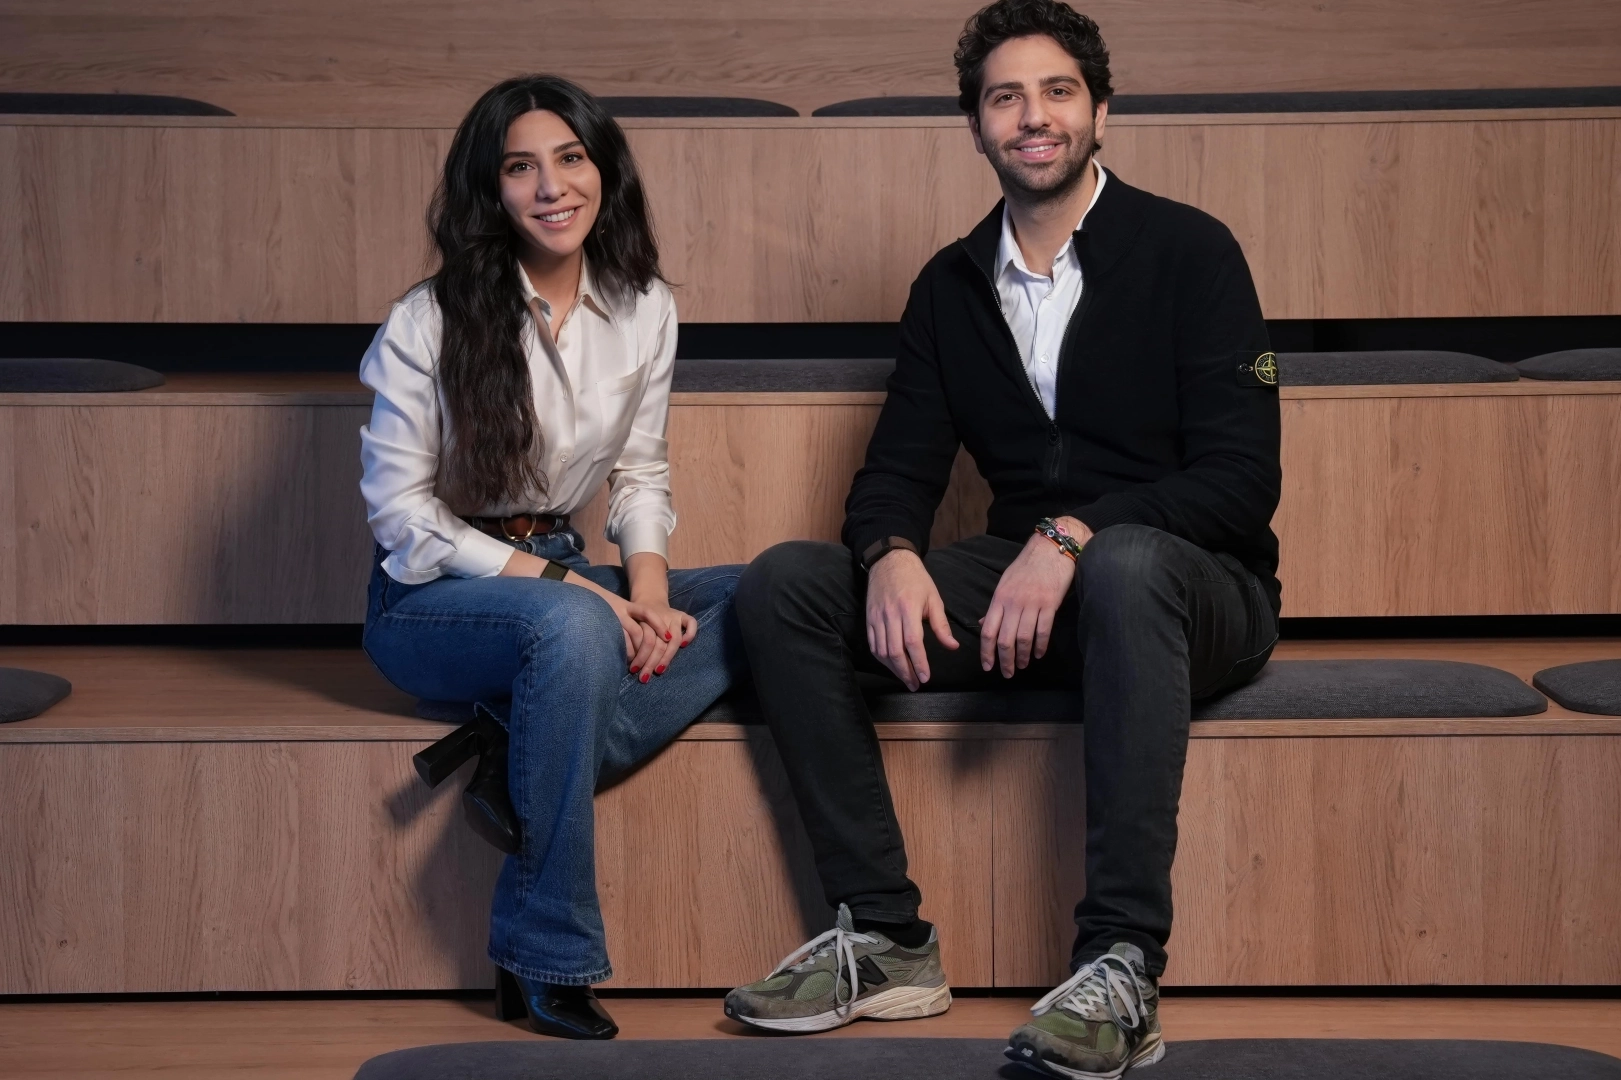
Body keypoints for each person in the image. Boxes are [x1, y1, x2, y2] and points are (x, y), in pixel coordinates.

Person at [723, 1, 1281, 1075]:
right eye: (1005, 97)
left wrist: (1073, 533)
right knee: (786, 583)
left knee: (1123, 564)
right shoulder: (950, 284)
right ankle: (883, 939)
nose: (1033, 116)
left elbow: (1240, 483)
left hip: (1194, 588)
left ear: (1100, 111)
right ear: (975, 126)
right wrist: (888, 552)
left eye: (1057, 91)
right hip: (1033, 593)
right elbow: (895, 473)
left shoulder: (1191, 251)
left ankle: (1119, 963)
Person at [359, 74, 744, 1041]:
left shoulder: (644, 307)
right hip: (431, 600)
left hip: (562, 575)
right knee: (572, 625)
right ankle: (545, 954)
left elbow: (641, 472)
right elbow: (402, 518)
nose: (550, 186)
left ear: (602, 168)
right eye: (519, 167)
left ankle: (516, 750)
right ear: (490, 190)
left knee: (774, 591)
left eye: (570, 158)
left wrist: (647, 592)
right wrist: (579, 593)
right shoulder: (427, 320)